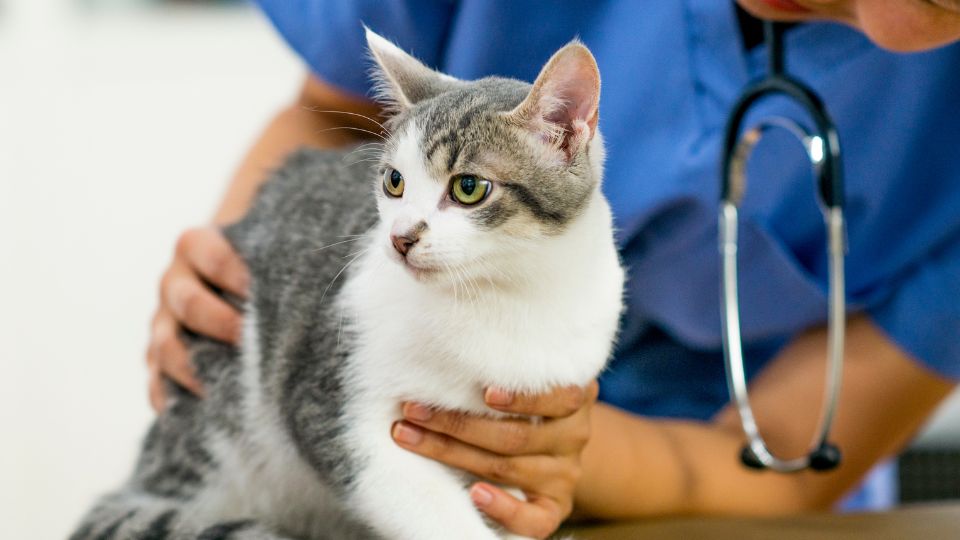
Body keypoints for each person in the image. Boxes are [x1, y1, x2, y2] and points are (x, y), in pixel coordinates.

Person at [145, 1, 960, 538]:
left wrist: (537, 445)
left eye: (936, 2)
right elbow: (336, 120)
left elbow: (786, 465)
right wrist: (240, 279)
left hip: (712, 498)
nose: (882, 18)